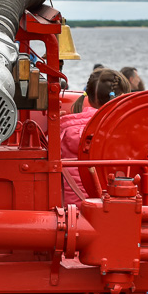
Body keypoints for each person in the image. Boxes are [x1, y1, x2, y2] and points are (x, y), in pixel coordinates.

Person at [59, 69, 130, 205]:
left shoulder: (66, 127)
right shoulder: (118, 131)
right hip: (113, 205)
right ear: (120, 97)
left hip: (72, 207)